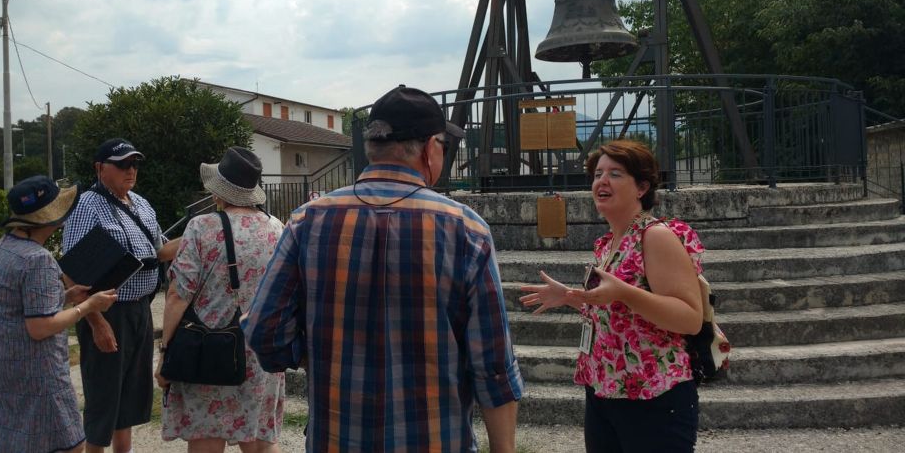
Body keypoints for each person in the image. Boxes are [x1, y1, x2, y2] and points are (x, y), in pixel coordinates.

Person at [242, 85, 525, 452]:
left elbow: (265, 330)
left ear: (373, 147)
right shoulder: (466, 231)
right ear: (428, 148)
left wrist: (310, 351)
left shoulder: (307, 221)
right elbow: (494, 366)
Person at [519, 139, 705, 452]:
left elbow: (690, 318)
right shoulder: (608, 244)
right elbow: (614, 306)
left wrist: (623, 292)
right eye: (597, 174)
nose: (602, 181)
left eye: (615, 174)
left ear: (641, 187)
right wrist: (569, 296)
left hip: (654, 394)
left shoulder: (655, 236)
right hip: (604, 389)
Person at [0, 176, 118, 452]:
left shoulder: (0, 250)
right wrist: (88, 306)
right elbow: (40, 327)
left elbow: (14, 308)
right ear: (51, 218)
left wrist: (65, 297)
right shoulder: (38, 260)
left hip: (5, 372)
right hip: (39, 378)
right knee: (71, 446)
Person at [155, 146, 285, 452]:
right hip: (260, 353)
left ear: (219, 191)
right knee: (259, 440)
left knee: (207, 436)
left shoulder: (201, 227)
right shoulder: (276, 228)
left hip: (210, 349)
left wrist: (165, 351)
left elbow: (177, 295)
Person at [62, 138, 180, 453]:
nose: (131, 170)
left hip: (140, 309)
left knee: (129, 396)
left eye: (134, 164)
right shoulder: (87, 206)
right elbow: (71, 271)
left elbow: (161, 250)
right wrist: (96, 322)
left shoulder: (141, 203)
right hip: (106, 312)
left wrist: (203, 230)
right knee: (103, 395)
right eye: (123, 164)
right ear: (100, 168)